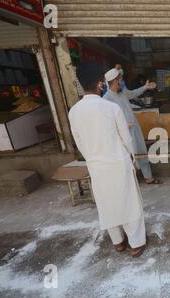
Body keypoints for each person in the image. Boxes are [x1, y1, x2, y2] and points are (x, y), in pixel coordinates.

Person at [68, 64, 147, 257]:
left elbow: (79, 142)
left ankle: (118, 242)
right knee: (129, 202)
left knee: (107, 204)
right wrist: (133, 159)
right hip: (118, 163)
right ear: (100, 84)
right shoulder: (110, 108)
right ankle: (136, 243)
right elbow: (126, 139)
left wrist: (92, 158)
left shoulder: (74, 111)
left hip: (96, 165)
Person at [103, 68, 162, 184]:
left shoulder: (122, 92)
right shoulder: (106, 99)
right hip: (122, 133)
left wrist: (145, 87)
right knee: (128, 157)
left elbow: (133, 93)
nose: (122, 82)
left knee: (141, 151)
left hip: (135, 128)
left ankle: (149, 177)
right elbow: (107, 121)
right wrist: (123, 126)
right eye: (120, 80)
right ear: (115, 81)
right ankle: (131, 182)